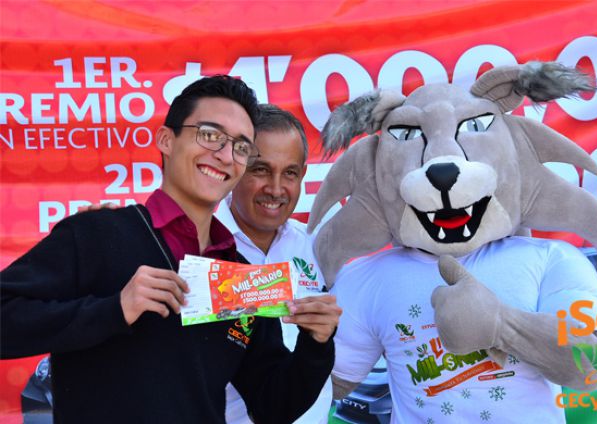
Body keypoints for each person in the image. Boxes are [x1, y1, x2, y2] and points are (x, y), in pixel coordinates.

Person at [0, 75, 341, 423]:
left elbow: (273, 407)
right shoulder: (97, 233)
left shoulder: (240, 277)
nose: (225, 155)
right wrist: (115, 309)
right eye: (210, 135)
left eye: (241, 147)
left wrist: (316, 344)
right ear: (166, 139)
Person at [215, 104, 332, 423]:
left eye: (289, 173)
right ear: (235, 167)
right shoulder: (197, 248)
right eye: (261, 170)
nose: (276, 189)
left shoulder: (315, 245)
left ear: (303, 174)